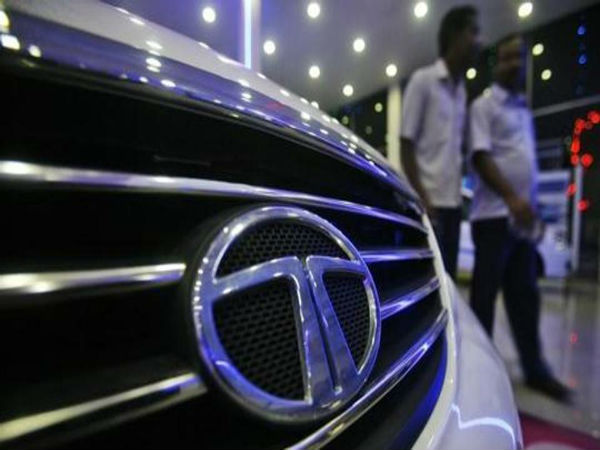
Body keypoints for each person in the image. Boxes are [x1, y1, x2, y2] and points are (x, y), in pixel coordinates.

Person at [468, 34, 570, 401]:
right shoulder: (484, 106)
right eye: (508, 58)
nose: (515, 64)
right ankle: (477, 373)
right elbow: (480, 156)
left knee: (525, 296)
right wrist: (511, 197)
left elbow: (524, 162)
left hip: (521, 219)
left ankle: (535, 369)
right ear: (497, 64)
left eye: (520, 58)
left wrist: (529, 204)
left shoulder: (523, 110)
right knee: (484, 299)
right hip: (494, 217)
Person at [401, 5, 480, 280]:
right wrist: (423, 199)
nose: (478, 40)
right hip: (428, 206)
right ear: (454, 36)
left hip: (453, 206)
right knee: (427, 281)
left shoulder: (461, 92)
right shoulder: (423, 82)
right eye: (473, 32)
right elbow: (406, 144)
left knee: (449, 283)